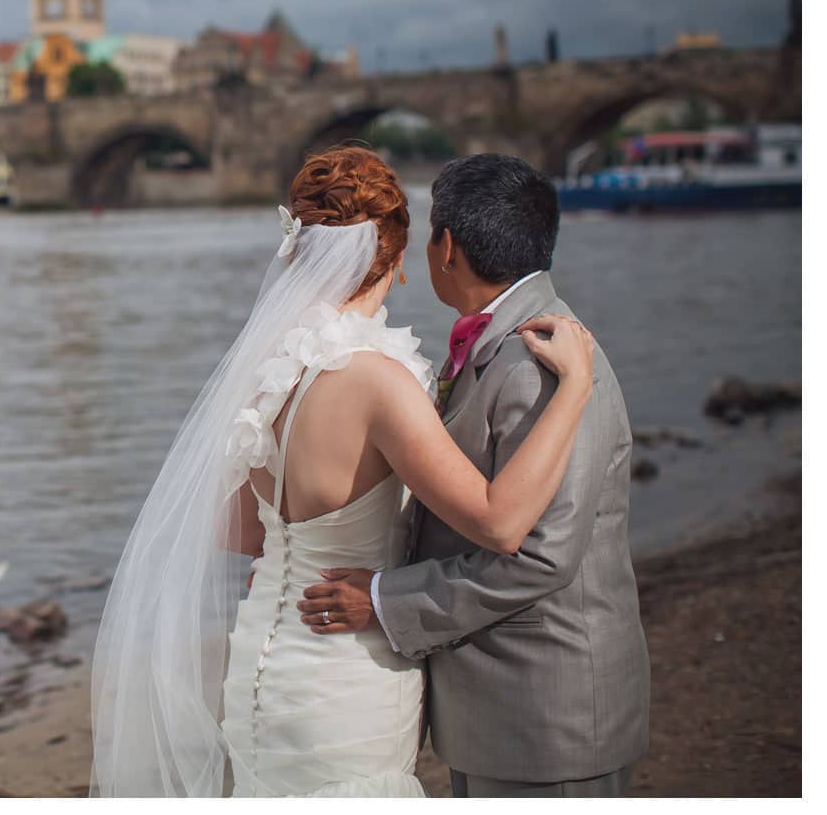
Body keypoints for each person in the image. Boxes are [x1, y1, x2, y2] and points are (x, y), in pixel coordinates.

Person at [89, 145, 596, 797]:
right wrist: (574, 391)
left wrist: (303, 546)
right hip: (338, 676)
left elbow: (235, 528)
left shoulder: (272, 376)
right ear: (396, 259)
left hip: (257, 673)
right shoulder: (376, 383)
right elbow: (499, 521)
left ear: (298, 251)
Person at [298, 153, 649, 797]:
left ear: (447, 246)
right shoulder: (513, 343)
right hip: (502, 706)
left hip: (546, 715)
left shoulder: (543, 360)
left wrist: (382, 599)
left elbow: (541, 558)